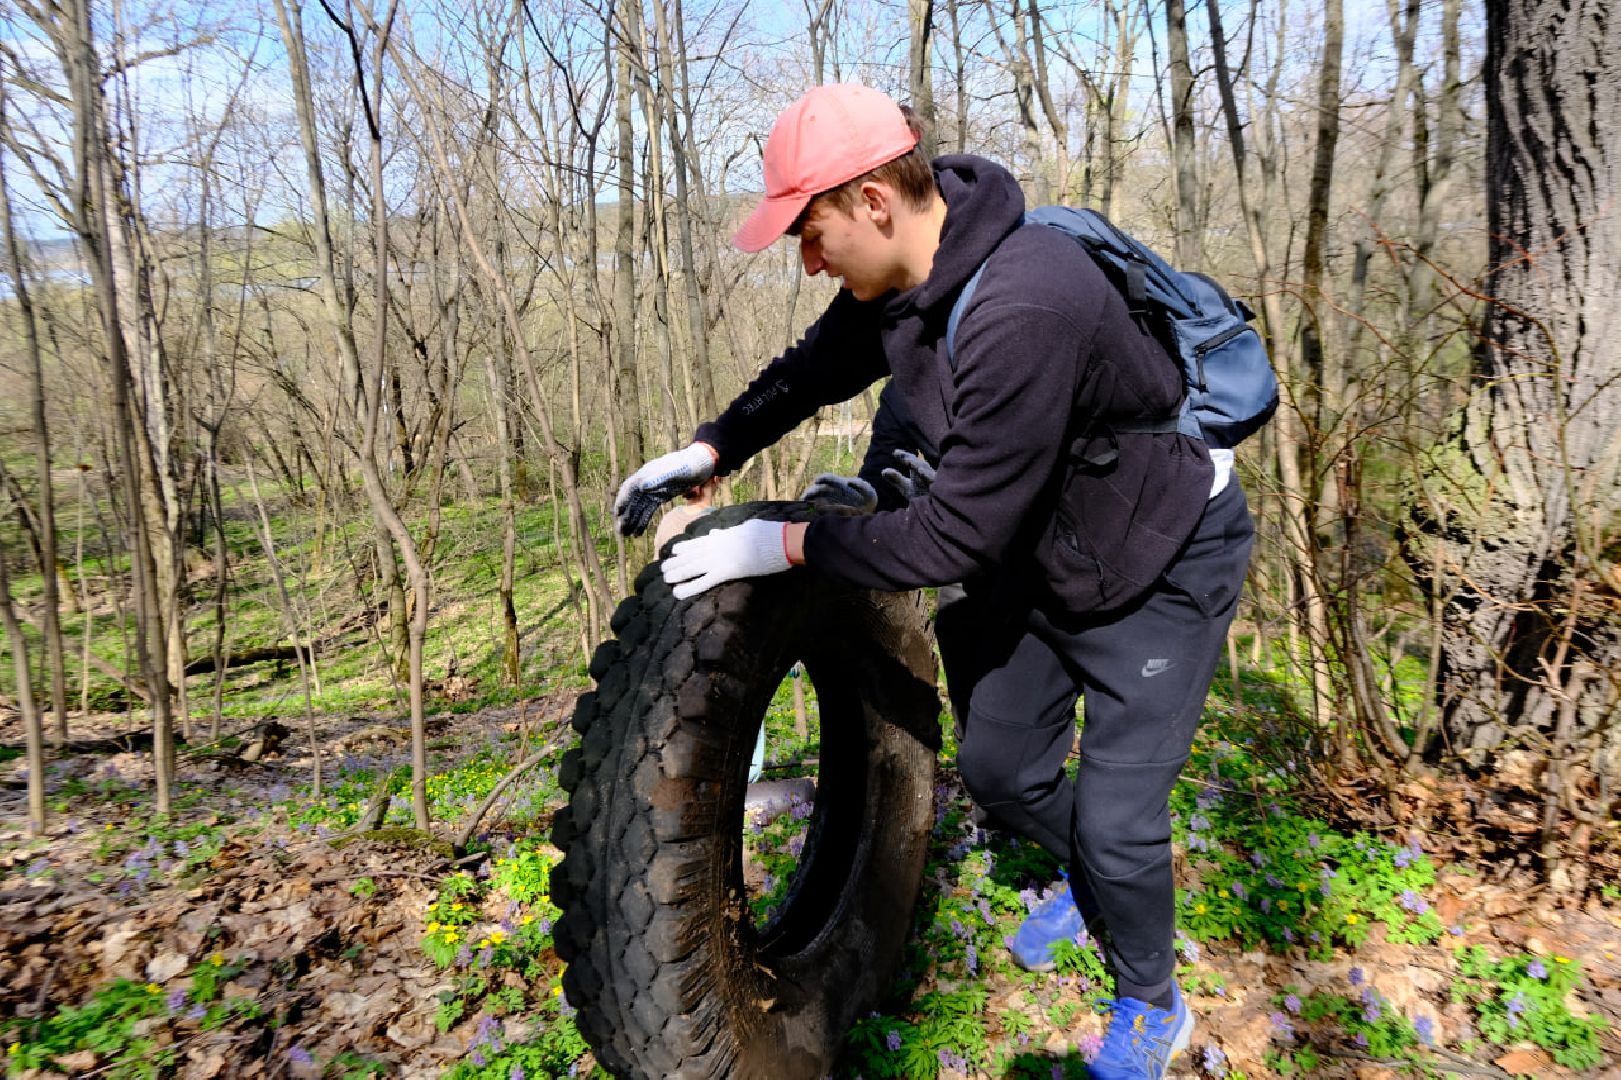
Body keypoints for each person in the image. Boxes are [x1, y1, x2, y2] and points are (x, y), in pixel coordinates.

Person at [613, 84, 1254, 1080]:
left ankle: (1150, 1000)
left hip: (1160, 557)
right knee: (1001, 770)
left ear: (874, 198)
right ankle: (1097, 882)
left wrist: (781, 547)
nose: (807, 257)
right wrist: (708, 449)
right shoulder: (901, 284)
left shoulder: (1027, 299)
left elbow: (951, 535)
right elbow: (810, 370)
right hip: (1047, 544)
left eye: (811, 228)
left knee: (1122, 820)